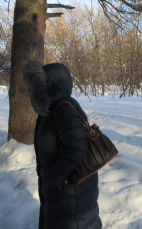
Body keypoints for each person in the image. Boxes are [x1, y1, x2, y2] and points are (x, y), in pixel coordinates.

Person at [22, 61, 102, 229]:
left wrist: (54, 178)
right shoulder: (52, 110)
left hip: (69, 190)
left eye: (39, 85)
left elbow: (77, 147)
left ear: (52, 86)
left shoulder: (64, 110)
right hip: (63, 191)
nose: (34, 91)